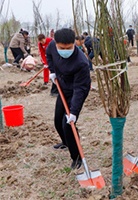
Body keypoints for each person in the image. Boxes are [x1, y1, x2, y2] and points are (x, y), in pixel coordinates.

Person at [46, 28, 91, 169]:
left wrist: (74, 112)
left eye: (68, 47)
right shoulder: (52, 46)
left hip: (77, 90)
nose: (65, 50)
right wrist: (52, 71)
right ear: (56, 43)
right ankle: (65, 142)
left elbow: (80, 89)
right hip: (63, 86)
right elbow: (49, 56)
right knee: (57, 120)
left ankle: (76, 156)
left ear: (74, 44)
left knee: (68, 124)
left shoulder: (81, 62)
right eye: (61, 48)